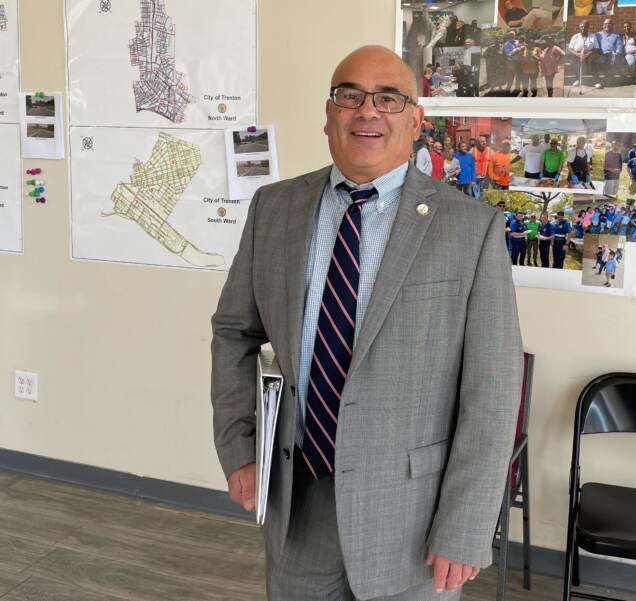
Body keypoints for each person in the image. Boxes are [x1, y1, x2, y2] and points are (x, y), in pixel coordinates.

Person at [211, 45, 522, 601]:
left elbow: (493, 391)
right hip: (297, 503)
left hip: (414, 526)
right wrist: (240, 447)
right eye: (349, 96)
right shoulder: (273, 209)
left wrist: (467, 524)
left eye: (388, 98)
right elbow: (237, 333)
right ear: (329, 114)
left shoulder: (471, 230)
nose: (367, 111)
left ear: (415, 119)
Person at [567, 20, 600, 89]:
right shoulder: (575, 36)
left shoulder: (592, 36)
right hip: (577, 54)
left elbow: (596, 48)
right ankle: (578, 79)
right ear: (579, 27)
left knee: (593, 60)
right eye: (582, 26)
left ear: (588, 27)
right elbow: (570, 48)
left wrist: (586, 55)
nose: (583, 28)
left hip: (590, 53)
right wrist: (578, 54)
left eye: (585, 26)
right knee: (573, 61)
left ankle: (596, 81)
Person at [594, 18, 625, 88]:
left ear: (612, 25)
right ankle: (598, 81)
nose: (607, 25)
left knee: (610, 59)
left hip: (612, 55)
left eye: (609, 24)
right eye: (605, 24)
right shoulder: (598, 35)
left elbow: (620, 46)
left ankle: (608, 80)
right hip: (601, 55)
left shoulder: (616, 35)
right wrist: (598, 53)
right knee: (597, 60)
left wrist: (616, 53)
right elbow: (595, 46)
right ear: (603, 25)